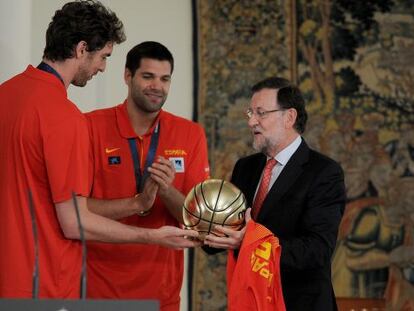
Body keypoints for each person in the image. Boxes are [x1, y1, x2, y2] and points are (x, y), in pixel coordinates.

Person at [0, 1, 199, 299]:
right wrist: (152, 236)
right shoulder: (66, 117)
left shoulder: (5, 94)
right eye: (103, 56)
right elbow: (74, 222)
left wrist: (137, 203)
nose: (103, 67)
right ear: (82, 49)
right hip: (43, 287)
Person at [85, 41, 210, 310]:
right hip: (96, 291)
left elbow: (199, 224)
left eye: (165, 79)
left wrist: (167, 190)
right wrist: (137, 202)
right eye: (148, 76)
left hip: (161, 296)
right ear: (128, 76)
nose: (157, 86)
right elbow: (76, 208)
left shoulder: (190, 134)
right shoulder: (89, 127)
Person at [205, 77, 346, 310]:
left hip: (299, 303)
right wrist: (201, 226)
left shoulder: (324, 172)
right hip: (250, 300)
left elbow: (317, 250)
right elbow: (227, 232)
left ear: (289, 117)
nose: (251, 121)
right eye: (250, 112)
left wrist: (251, 242)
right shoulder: (245, 167)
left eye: (261, 113)